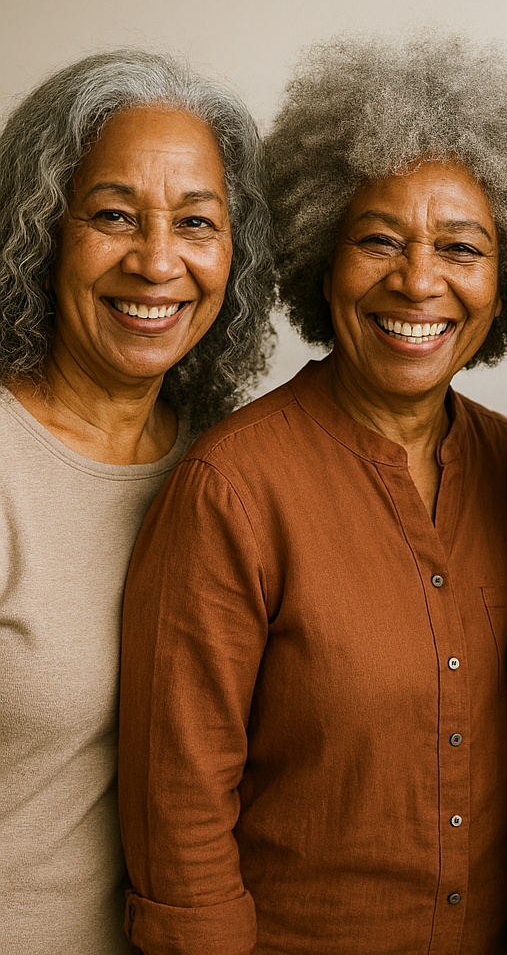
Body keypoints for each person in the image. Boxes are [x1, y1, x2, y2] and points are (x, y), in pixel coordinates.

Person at [117, 32, 507, 955]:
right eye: (378, 240)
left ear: (506, 277)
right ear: (321, 256)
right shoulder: (231, 488)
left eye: (461, 247)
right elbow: (179, 816)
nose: (418, 280)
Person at [0, 50, 275, 955]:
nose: (158, 262)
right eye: (115, 216)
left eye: (196, 222)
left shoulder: (228, 466)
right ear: (40, 228)